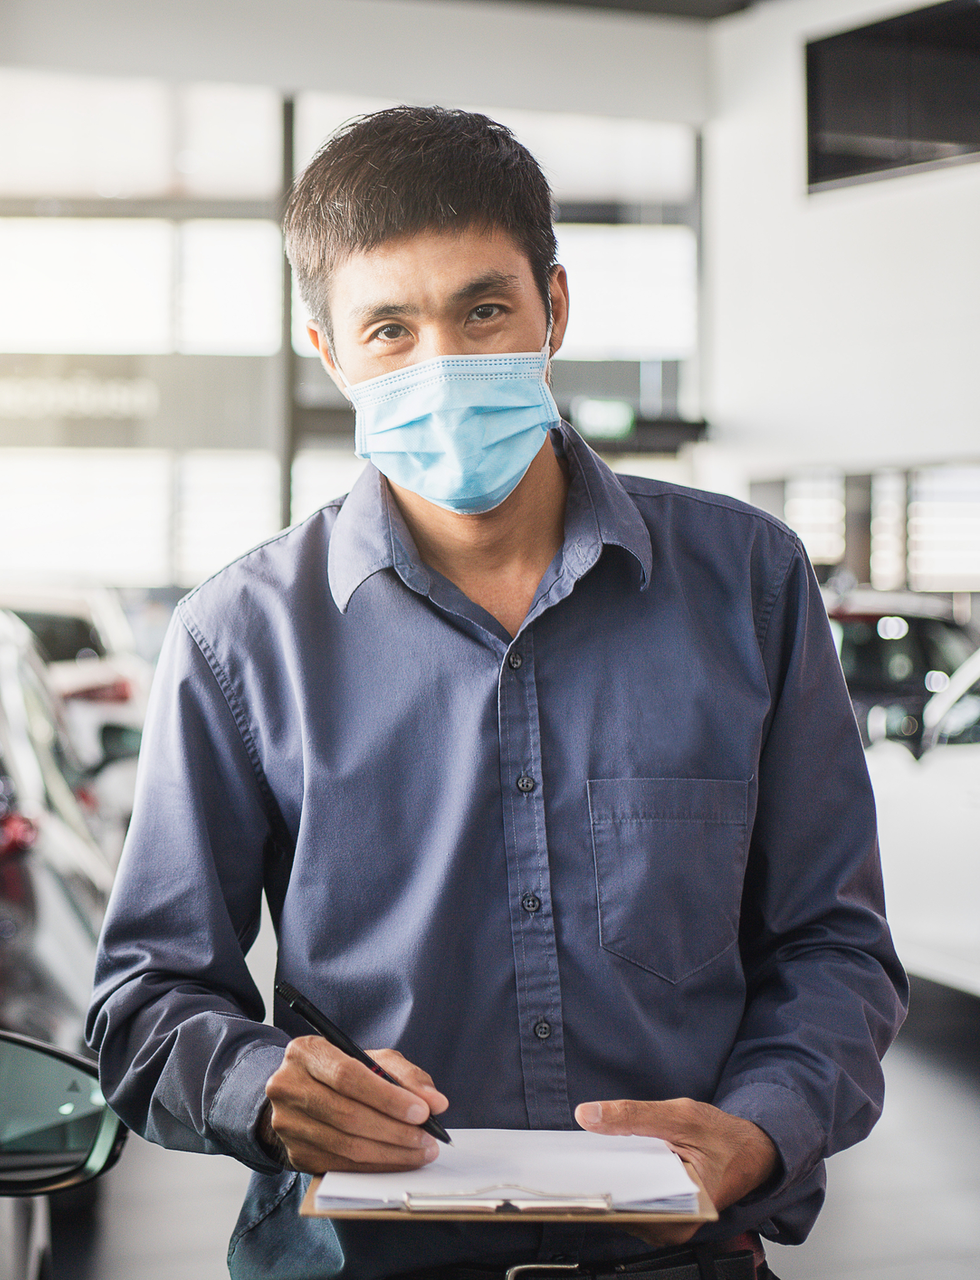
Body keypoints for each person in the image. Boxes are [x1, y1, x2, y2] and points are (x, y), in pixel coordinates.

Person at [86, 106, 906, 1280]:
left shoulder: (752, 585)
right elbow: (144, 998)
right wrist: (263, 1088)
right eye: (389, 329)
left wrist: (760, 1129)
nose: (443, 366)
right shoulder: (238, 636)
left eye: (482, 311)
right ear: (329, 352)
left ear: (553, 310)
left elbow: (834, 943)